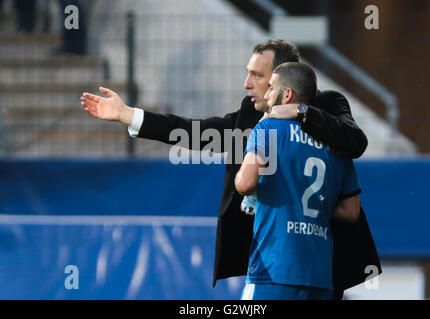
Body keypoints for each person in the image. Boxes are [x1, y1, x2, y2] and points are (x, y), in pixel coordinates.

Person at [81, 39, 381, 299]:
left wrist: (301, 112)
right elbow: (195, 131)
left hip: (307, 266)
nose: (247, 83)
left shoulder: (322, 107)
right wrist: (128, 115)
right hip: (300, 265)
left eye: (256, 75)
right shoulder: (252, 115)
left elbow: (356, 141)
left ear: (281, 81)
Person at [234, 62, 361, 300]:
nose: (268, 93)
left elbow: (246, 184)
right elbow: (351, 211)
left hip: (274, 269)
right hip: (320, 277)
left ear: (287, 94)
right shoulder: (338, 145)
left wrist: (245, 180)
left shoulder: (268, 127)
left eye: (271, 87)